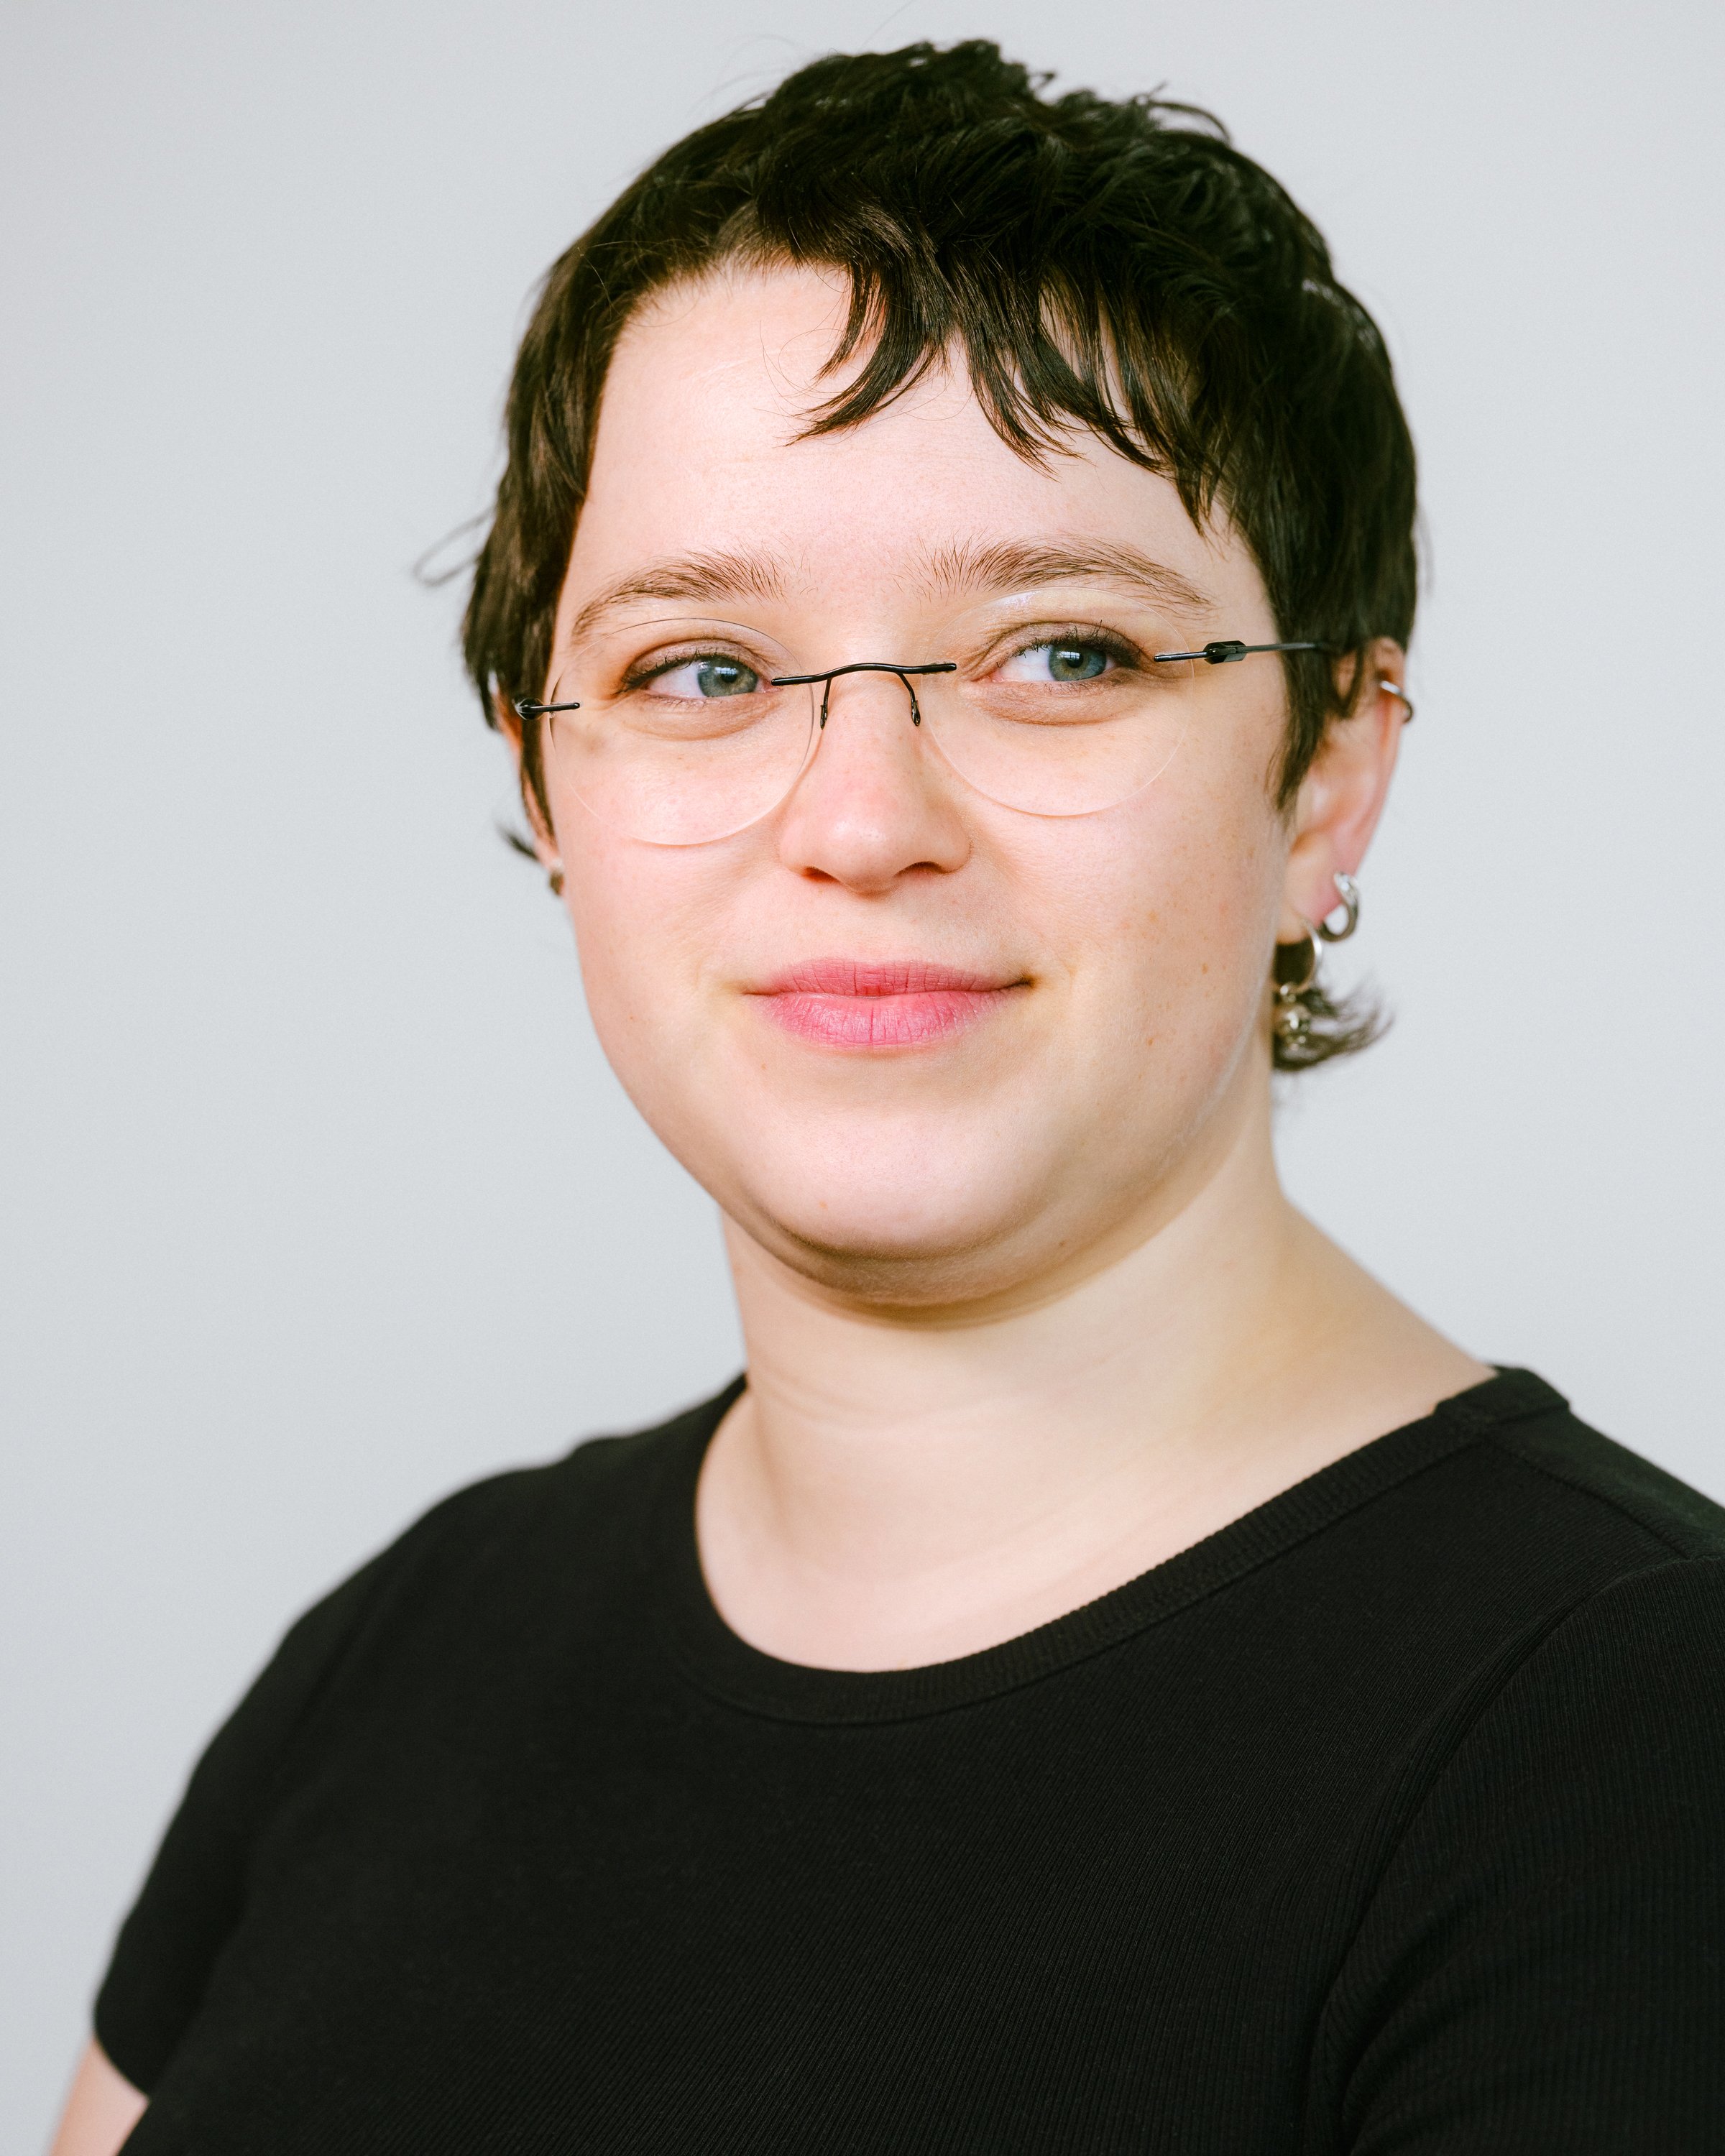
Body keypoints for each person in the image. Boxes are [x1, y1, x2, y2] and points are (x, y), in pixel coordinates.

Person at [52, 40, 1725, 2155]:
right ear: (546, 782)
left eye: (1064, 654)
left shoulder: (1636, 1753)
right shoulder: (406, 1649)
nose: (859, 821)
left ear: (1326, 775)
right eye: (703, 671)